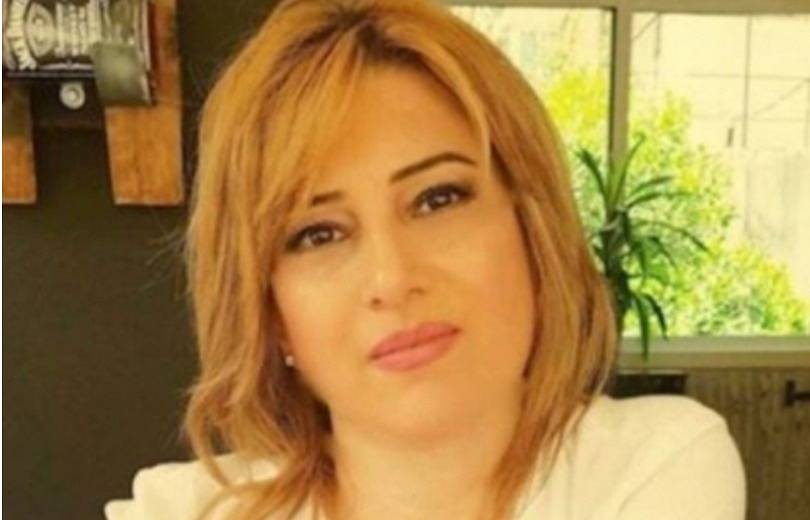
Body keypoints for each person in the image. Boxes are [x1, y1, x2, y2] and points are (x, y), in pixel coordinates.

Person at [104, 0, 746, 519]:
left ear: (533, 230)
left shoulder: (651, 467)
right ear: (270, 311)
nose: (392, 278)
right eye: (318, 235)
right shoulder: (179, 510)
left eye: (438, 199)